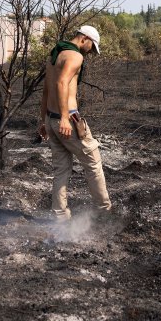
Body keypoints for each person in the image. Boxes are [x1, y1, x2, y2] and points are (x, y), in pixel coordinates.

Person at [38, 25, 111, 221]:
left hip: (51, 119)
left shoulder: (55, 54)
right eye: (91, 47)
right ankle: (103, 211)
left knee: (61, 169)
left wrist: (43, 120)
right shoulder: (75, 56)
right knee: (93, 162)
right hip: (67, 120)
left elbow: (46, 90)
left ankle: (60, 216)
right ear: (84, 39)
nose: (90, 52)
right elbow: (61, 83)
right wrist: (64, 116)